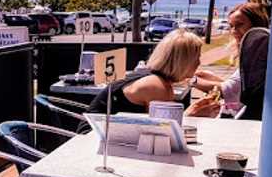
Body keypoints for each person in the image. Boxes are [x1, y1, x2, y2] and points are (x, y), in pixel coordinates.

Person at [85, 28, 215, 118]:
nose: (199, 62)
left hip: (112, 135)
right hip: (92, 138)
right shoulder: (156, 86)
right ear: (183, 60)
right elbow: (162, 133)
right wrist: (191, 114)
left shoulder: (156, 79)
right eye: (196, 57)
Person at [192, 2, 270, 114]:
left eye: (239, 24)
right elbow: (243, 87)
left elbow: (228, 91)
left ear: (256, 25)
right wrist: (212, 78)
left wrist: (190, 80)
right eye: (231, 26)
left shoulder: (260, 53)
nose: (233, 30)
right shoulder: (252, 51)